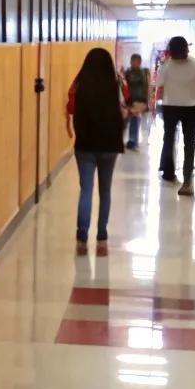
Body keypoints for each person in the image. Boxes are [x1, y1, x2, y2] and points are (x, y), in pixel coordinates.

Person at [66, 48, 126, 256]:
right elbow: (123, 110)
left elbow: (72, 109)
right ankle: (102, 236)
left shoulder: (80, 84)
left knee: (86, 190)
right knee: (105, 191)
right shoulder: (115, 84)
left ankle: (82, 237)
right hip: (109, 146)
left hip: (85, 146)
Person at [156, 35, 195, 196]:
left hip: (171, 107)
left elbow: (159, 85)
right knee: (189, 144)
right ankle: (187, 182)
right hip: (190, 107)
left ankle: (168, 172)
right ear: (186, 49)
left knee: (168, 140)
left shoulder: (165, 66)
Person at [122, 53, 150, 149]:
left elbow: (145, 87)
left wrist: (146, 102)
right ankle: (129, 141)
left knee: (135, 120)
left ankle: (133, 142)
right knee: (125, 121)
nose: (133, 63)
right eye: (132, 61)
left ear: (139, 62)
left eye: (135, 61)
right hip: (129, 100)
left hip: (138, 101)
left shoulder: (141, 73)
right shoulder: (128, 72)